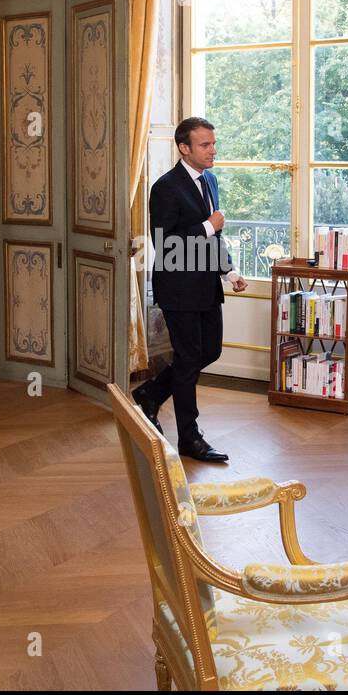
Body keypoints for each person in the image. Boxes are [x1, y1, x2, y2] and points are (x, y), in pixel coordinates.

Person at [134, 117, 247, 462]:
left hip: (205, 286)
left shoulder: (209, 180)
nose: (213, 150)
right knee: (187, 359)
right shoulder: (165, 187)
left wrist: (229, 272)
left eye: (213, 143)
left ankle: (150, 394)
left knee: (208, 352)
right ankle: (189, 438)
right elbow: (165, 244)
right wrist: (208, 226)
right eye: (205, 144)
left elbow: (214, 238)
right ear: (184, 148)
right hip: (178, 286)